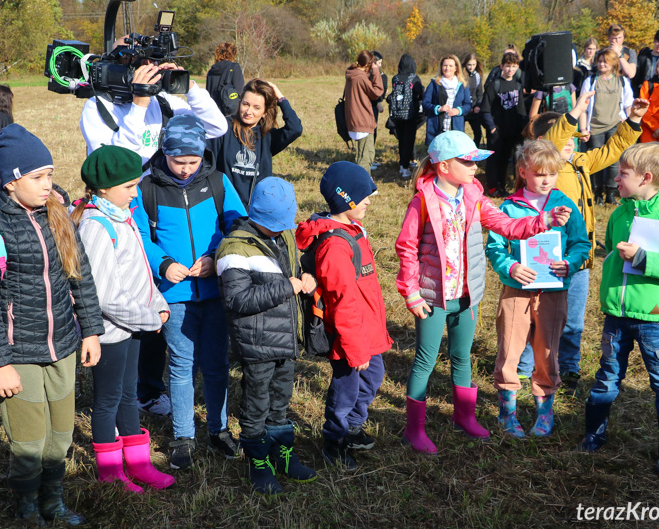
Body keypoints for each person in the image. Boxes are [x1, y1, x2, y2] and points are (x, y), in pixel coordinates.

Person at [394, 132, 568, 453]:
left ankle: (464, 417)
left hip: (467, 295)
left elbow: (505, 225)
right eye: (468, 161)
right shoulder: (423, 201)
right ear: (444, 166)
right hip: (433, 297)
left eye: (476, 161)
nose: (476, 167)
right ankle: (413, 429)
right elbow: (406, 248)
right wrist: (412, 293)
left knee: (462, 357)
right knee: (426, 360)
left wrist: (542, 220)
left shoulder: (473, 195)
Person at [0, 124, 104, 525]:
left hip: (62, 345)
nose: (49, 185)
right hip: (18, 355)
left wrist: (90, 330)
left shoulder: (56, 216)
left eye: (49, 174)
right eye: (38, 177)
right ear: (11, 183)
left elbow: (81, 277)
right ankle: (27, 507)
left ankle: (53, 500)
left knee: (60, 437)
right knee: (30, 440)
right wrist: (0, 364)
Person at [131, 114, 247, 470]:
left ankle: (220, 429)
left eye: (192, 161)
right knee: (180, 365)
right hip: (174, 294)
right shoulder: (146, 189)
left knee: (216, 363)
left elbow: (238, 226)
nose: (184, 169)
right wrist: (163, 264)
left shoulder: (219, 183)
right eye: (178, 161)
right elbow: (139, 236)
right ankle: (184, 435)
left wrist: (216, 257)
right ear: (163, 153)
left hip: (214, 292)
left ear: (203, 155)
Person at [578, 142, 659, 477]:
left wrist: (644, 259)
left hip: (654, 318)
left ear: (646, 178)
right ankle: (594, 433)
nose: (616, 178)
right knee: (606, 375)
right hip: (615, 315)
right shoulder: (621, 212)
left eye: (623, 174)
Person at [521, 93, 647, 392]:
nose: (570, 144)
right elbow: (553, 143)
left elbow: (615, 147)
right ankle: (524, 366)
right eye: (565, 137)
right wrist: (576, 110)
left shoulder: (581, 162)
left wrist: (634, 120)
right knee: (535, 316)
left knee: (573, 320)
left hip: (579, 259)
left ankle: (569, 366)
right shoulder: (547, 169)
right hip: (547, 259)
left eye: (574, 139)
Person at [72, 146, 175, 493]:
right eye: (129, 186)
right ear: (103, 188)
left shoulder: (121, 215)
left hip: (132, 326)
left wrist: (157, 303)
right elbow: (105, 295)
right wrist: (149, 318)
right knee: (107, 400)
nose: (136, 193)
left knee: (128, 393)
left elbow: (141, 272)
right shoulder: (97, 226)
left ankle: (139, 463)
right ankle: (111, 473)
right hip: (110, 332)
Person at [216, 177, 318, 494]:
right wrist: (287, 286)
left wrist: (305, 278)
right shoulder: (233, 249)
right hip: (257, 343)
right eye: (274, 225)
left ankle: (282, 450)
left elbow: (291, 269)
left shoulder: (283, 234)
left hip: (286, 339)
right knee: (257, 402)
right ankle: (258, 460)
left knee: (280, 401)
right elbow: (237, 300)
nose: (280, 230)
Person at [486, 141, 590, 438]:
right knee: (509, 349)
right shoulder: (507, 206)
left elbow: (581, 243)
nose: (546, 180)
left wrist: (569, 263)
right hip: (517, 290)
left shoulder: (566, 205)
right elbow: (495, 247)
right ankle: (507, 412)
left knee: (547, 352)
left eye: (552, 174)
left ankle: (545, 411)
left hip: (553, 291)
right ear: (523, 172)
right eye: (540, 174)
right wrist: (510, 267)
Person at [295, 162, 393, 470]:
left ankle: (353, 427)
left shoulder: (351, 230)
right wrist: (355, 347)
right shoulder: (336, 246)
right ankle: (335, 441)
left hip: (366, 328)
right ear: (345, 199)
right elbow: (343, 302)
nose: (369, 201)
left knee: (374, 376)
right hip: (349, 336)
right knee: (347, 389)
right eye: (364, 196)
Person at [80, 36, 228, 168]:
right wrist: (138, 106)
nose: (149, 67)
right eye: (140, 62)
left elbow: (216, 127)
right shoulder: (97, 106)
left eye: (153, 62)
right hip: (126, 196)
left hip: (159, 193)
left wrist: (189, 88)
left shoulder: (163, 102)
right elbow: (116, 164)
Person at [207, 78, 303, 207]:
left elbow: (295, 128)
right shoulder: (223, 128)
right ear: (239, 102)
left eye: (256, 108)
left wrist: (279, 97)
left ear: (265, 112)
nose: (248, 111)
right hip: (225, 207)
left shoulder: (267, 137)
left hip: (256, 210)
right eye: (245, 104)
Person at [579, 49, 634, 205]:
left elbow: (629, 104)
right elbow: (583, 107)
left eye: (605, 61)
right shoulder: (590, 81)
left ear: (613, 63)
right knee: (596, 161)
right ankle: (597, 193)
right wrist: (583, 129)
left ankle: (610, 193)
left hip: (615, 126)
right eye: (600, 61)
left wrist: (629, 123)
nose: (602, 64)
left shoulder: (622, 81)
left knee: (614, 162)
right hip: (595, 127)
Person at [482, 52, 528, 197]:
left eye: (513, 67)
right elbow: (485, 109)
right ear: (502, 66)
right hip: (496, 129)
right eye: (507, 66)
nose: (510, 70)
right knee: (494, 159)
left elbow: (521, 108)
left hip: (512, 130)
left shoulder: (518, 85)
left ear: (517, 68)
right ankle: (492, 188)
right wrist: (492, 127)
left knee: (505, 160)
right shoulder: (494, 85)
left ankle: (501, 186)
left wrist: (523, 127)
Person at [344, 50, 385, 173]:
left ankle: (365, 181)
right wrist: (376, 71)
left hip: (354, 120)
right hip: (362, 121)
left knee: (365, 154)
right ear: (368, 64)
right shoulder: (360, 77)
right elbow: (377, 92)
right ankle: (363, 186)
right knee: (364, 157)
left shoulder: (352, 74)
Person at [388, 53, 425, 178]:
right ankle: (405, 168)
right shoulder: (414, 78)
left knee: (401, 140)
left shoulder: (395, 78)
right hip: (410, 114)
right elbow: (420, 93)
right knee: (409, 140)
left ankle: (401, 165)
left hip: (397, 113)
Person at [423, 54, 472, 147]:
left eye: (450, 66)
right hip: (437, 128)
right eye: (445, 65)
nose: (447, 68)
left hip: (456, 128)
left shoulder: (463, 85)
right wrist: (438, 108)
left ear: (456, 68)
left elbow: (468, 105)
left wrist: (458, 110)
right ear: (441, 67)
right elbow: (425, 103)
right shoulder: (434, 84)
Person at [206, 42, 245, 117]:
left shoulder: (211, 71)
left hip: (213, 113)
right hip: (229, 113)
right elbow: (240, 92)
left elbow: (208, 93)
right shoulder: (234, 67)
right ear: (233, 54)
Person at [462, 53, 484, 145]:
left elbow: (480, 93)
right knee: (460, 134)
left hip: (474, 109)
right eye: (469, 65)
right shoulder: (461, 76)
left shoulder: (477, 76)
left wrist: (478, 106)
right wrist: (466, 107)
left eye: (473, 65)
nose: (471, 67)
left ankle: (475, 151)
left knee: (478, 133)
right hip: (462, 109)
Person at [371, 50, 389, 144]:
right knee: (371, 129)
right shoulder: (381, 76)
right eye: (379, 63)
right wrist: (378, 102)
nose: (380, 65)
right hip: (372, 105)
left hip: (372, 105)